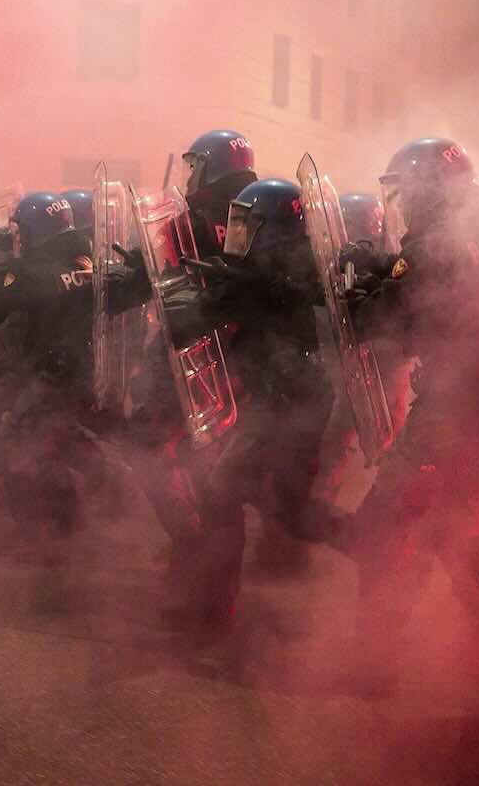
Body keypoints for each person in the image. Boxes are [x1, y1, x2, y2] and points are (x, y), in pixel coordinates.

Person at [334, 137, 479, 691]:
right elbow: (438, 284)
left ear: (429, 192)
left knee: (393, 524)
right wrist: (387, 266)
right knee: (450, 525)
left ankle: (379, 660)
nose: (399, 204)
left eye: (404, 193)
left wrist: (357, 291)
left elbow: (385, 319)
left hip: (464, 406)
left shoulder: (438, 244)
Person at [166, 177, 332, 624]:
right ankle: (371, 539)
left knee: (224, 493)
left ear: (270, 228)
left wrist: (168, 287)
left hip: (286, 401)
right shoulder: (284, 268)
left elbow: (190, 319)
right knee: (283, 509)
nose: (233, 232)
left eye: (244, 223)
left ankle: (212, 609)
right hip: (287, 398)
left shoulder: (267, 276)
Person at [0, 191, 103, 555]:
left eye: (22, 229)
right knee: (52, 446)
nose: (19, 237)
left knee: (20, 450)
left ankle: (42, 534)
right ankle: (69, 523)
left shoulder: (26, 271)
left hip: (45, 371)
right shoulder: (85, 252)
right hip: (82, 367)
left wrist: (3, 276)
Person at [181, 131, 257, 258]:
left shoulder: (194, 223)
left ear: (211, 168)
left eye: (194, 168)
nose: (189, 180)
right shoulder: (261, 208)